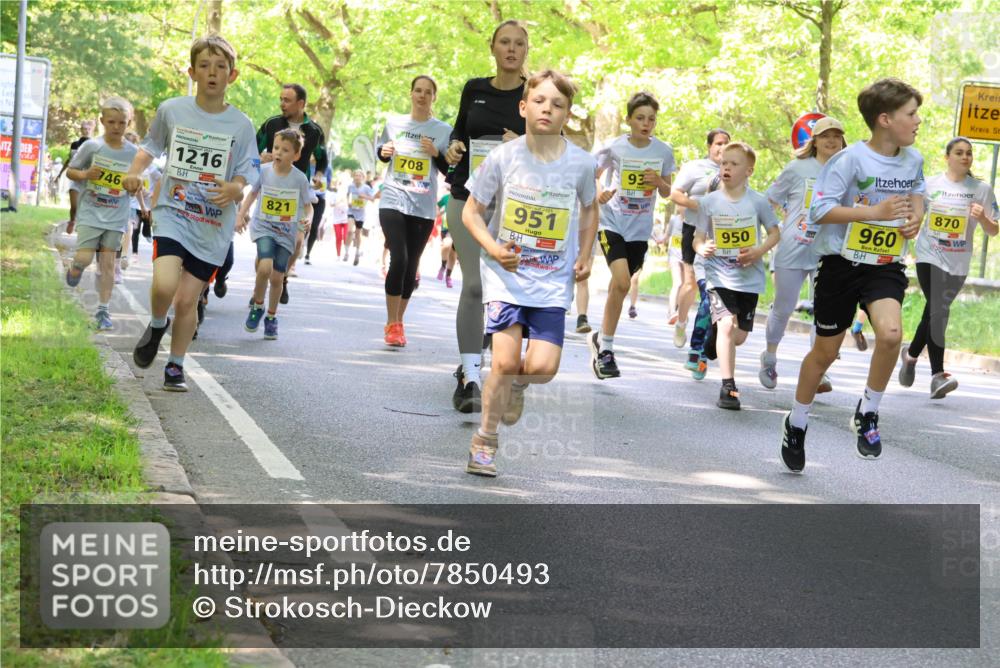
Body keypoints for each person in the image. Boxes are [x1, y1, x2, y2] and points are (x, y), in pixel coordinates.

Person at [781, 78, 926, 472]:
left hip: (884, 264)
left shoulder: (913, 160)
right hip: (840, 264)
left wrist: (915, 217)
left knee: (892, 334)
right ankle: (796, 421)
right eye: (911, 114)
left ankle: (868, 412)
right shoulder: (848, 161)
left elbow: (917, 194)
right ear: (884, 119)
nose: (918, 121)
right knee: (825, 352)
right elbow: (820, 211)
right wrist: (874, 213)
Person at [462, 69, 598, 477]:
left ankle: (518, 387)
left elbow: (591, 209)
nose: (547, 109)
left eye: (557, 105)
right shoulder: (504, 157)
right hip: (507, 278)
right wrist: (493, 249)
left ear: (567, 115)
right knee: (503, 363)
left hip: (553, 282)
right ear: (524, 107)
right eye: (539, 101)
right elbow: (473, 211)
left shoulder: (581, 163)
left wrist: (587, 254)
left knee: (541, 368)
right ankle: (485, 441)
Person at [124, 35, 260, 392]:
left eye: (220, 67)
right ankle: (156, 325)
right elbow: (150, 147)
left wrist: (236, 187)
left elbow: (252, 168)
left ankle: (175, 364)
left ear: (232, 75)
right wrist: (136, 172)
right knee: (165, 284)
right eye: (204, 66)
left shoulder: (242, 125)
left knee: (187, 300)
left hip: (213, 223)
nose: (212, 73)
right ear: (192, 72)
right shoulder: (172, 110)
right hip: (173, 210)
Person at [443, 19, 529, 413]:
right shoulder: (474, 89)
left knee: (505, 294)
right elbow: (458, 132)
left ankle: (497, 361)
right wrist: (455, 147)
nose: (511, 49)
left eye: (519, 44)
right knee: (475, 287)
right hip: (468, 200)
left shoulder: (535, 94)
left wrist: (526, 144)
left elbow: (554, 147)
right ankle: (469, 376)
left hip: (516, 209)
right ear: (493, 48)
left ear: (526, 51)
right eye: (504, 43)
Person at [898, 136, 998, 398]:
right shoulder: (930, 185)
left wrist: (983, 217)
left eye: (969, 153)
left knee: (934, 311)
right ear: (947, 157)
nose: (965, 157)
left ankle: (910, 355)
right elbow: (915, 216)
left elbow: (994, 230)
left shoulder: (982, 189)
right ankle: (937, 375)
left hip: (959, 260)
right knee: (939, 310)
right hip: (930, 255)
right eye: (959, 153)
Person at [589, 91, 675, 379]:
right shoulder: (615, 147)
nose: (646, 123)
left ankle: (601, 338)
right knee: (623, 282)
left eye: (651, 119)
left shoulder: (663, 151)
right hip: (612, 222)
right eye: (640, 118)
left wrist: (659, 181)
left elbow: (667, 192)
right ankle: (607, 350)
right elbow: (594, 175)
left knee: (620, 286)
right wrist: (600, 192)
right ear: (628, 120)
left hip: (640, 228)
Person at [759, 117, 846, 392]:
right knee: (784, 308)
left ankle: (819, 370)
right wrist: (776, 229)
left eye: (836, 136)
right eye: (825, 136)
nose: (831, 141)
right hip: (794, 247)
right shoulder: (797, 168)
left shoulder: (847, 170)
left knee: (825, 311)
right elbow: (768, 200)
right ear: (815, 141)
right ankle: (769, 358)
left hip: (829, 251)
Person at [693, 142, 780, 410]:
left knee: (738, 336)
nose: (727, 167)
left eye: (734, 163)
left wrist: (758, 251)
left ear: (749, 171)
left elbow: (775, 233)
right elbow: (697, 238)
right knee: (728, 325)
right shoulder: (708, 202)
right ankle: (728, 387)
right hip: (718, 276)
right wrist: (702, 247)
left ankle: (712, 338)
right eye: (723, 163)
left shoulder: (758, 201)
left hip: (749, 278)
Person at [376, 75, 453, 347]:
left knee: (411, 265)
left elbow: (450, 170)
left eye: (427, 92)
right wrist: (383, 151)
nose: (422, 95)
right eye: (417, 90)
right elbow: (383, 152)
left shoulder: (443, 130)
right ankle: (391, 322)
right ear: (411, 94)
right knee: (399, 257)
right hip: (393, 198)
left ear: (434, 97)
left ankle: (398, 321)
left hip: (422, 206)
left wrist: (436, 153)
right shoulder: (394, 123)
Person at [64, 97, 138, 331]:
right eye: (111, 122)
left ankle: (103, 311)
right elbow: (71, 172)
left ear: (129, 123)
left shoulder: (134, 153)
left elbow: (138, 182)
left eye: (122, 123)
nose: (117, 127)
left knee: (107, 265)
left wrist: (134, 185)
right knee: (85, 258)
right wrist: (86, 175)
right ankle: (76, 266)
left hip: (117, 216)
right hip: (91, 213)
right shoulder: (92, 146)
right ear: (102, 121)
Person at [235, 129, 315, 340]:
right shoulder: (263, 171)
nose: (278, 152)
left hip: (286, 232)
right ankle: (258, 306)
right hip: (264, 227)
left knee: (278, 278)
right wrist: (240, 215)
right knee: (264, 268)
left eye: (285, 150)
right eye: (276, 147)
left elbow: (308, 207)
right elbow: (252, 194)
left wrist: (308, 218)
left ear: (296, 156)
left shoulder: (299, 179)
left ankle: (271, 316)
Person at [256, 83, 328, 302]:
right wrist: (261, 157)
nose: (282, 104)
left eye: (287, 100)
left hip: (296, 192)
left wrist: (318, 175)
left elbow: (322, 158)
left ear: (301, 104)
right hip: (271, 190)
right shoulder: (271, 124)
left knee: (297, 242)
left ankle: (282, 274)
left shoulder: (314, 131)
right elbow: (252, 148)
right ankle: (259, 288)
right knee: (264, 250)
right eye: (281, 99)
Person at [670, 129, 731, 351]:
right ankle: (681, 322)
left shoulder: (733, 169)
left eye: (726, 144)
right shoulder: (694, 168)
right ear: (709, 146)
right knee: (691, 281)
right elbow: (675, 194)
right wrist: (700, 206)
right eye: (718, 143)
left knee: (713, 285)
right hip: (694, 229)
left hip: (720, 234)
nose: (722, 148)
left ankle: (707, 331)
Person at [58, 120, 96, 234]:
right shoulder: (75, 144)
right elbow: (70, 161)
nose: (86, 130)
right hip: (75, 178)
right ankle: (72, 220)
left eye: (88, 129)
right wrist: (60, 174)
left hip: (88, 180)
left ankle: (82, 227)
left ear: (92, 130)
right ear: (81, 129)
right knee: (74, 206)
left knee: (84, 207)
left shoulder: (95, 144)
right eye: (84, 128)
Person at [346, 169, 375, 263]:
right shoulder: (351, 186)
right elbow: (347, 195)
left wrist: (364, 197)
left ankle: (357, 253)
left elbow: (373, 198)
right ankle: (346, 252)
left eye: (359, 175)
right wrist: (348, 202)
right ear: (353, 177)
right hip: (351, 211)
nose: (357, 177)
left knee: (358, 233)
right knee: (350, 231)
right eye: (355, 175)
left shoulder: (366, 188)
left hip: (361, 213)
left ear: (363, 177)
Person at [436, 189, 458, 288]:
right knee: (447, 244)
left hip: (459, 229)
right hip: (447, 228)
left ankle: (448, 276)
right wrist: (440, 213)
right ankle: (443, 265)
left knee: (453, 254)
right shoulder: (447, 197)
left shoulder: (469, 197)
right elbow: (437, 207)